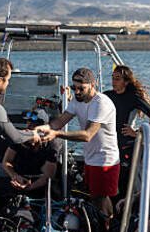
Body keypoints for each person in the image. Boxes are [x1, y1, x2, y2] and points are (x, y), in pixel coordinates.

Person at [36, 67, 120, 221]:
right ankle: (99, 223)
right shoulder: (76, 101)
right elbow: (61, 121)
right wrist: (44, 128)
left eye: (82, 88)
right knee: (94, 196)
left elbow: (87, 135)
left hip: (105, 159)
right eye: (75, 88)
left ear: (93, 85)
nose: (78, 92)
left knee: (101, 198)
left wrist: (56, 134)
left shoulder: (101, 103)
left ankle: (109, 226)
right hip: (90, 157)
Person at [104, 65, 150, 198]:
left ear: (126, 82)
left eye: (117, 79)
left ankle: (126, 206)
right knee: (111, 182)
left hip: (126, 146)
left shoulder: (133, 97)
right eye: (112, 78)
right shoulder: (107, 96)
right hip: (109, 144)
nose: (113, 81)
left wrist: (137, 133)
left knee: (124, 183)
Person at [0, 109, 63, 199]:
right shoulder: (19, 139)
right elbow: (6, 161)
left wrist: (28, 188)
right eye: (28, 124)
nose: (28, 130)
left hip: (40, 183)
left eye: (33, 126)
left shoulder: (51, 146)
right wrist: (15, 176)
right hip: (19, 178)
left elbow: (48, 176)